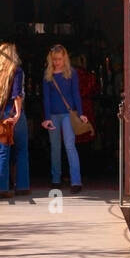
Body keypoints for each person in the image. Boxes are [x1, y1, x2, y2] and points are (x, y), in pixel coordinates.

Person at [0, 42, 29, 197]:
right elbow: (16, 94)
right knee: (22, 150)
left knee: (2, 153)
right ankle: (22, 186)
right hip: (12, 114)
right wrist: (17, 114)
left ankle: (2, 189)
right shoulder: (17, 71)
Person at [42, 43, 88, 193]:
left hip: (69, 114)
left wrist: (80, 113)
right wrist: (47, 117)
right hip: (53, 115)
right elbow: (46, 98)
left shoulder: (71, 73)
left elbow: (76, 94)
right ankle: (56, 179)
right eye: (54, 59)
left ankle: (76, 181)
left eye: (59, 59)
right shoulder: (48, 75)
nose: (57, 62)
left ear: (64, 58)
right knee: (55, 147)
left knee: (69, 145)